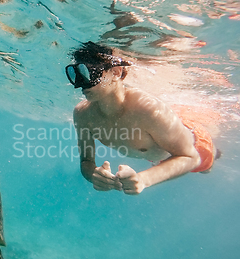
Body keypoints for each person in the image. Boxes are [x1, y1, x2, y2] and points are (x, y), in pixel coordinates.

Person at [66, 42, 218, 195]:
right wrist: (94, 175)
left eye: (88, 73)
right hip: (158, 153)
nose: (80, 84)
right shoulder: (82, 114)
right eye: (75, 74)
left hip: (196, 144)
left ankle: (216, 153)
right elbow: (86, 161)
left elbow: (191, 157)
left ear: (116, 72)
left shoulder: (147, 109)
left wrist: (144, 179)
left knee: (205, 168)